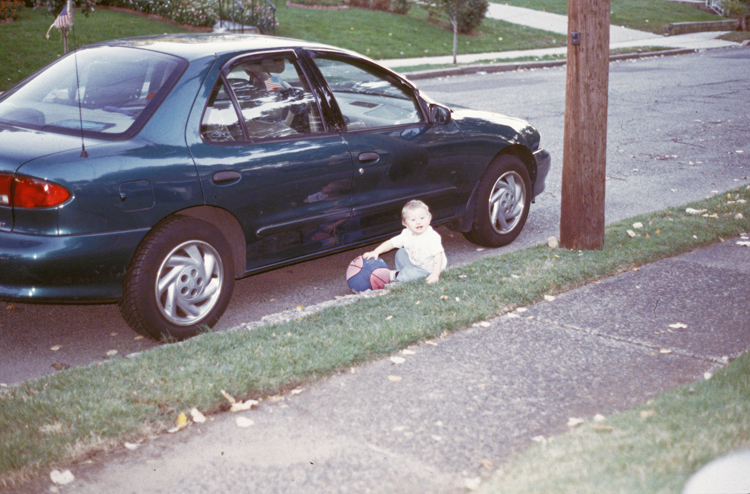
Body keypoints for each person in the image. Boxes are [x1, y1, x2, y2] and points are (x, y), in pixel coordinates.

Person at [363, 200, 447, 284]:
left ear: (429, 218)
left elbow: (438, 256)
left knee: (412, 274)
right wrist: (376, 251)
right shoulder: (406, 234)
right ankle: (402, 272)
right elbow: (391, 243)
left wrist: (435, 274)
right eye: (413, 219)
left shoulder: (431, 237)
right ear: (405, 223)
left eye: (422, 218)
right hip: (416, 261)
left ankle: (395, 275)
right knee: (400, 253)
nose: (418, 222)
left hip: (429, 268)